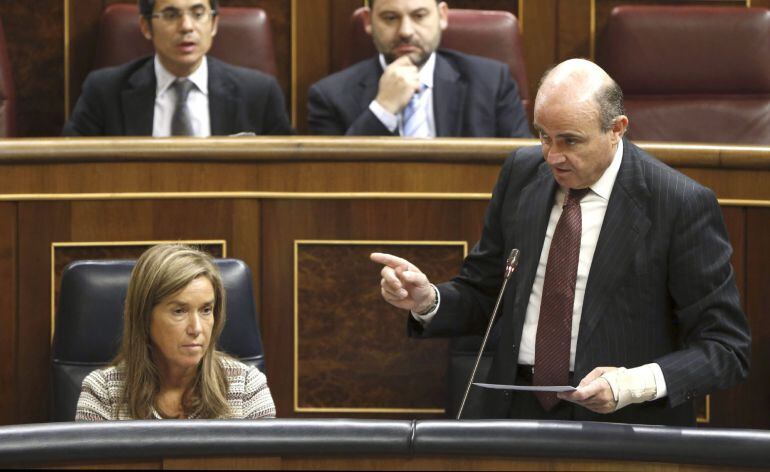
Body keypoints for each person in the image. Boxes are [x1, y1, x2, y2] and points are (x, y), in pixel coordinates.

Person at [371, 58, 751, 426]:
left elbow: (725, 347)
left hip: (622, 423)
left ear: (616, 129)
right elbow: (487, 291)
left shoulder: (678, 203)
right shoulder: (522, 174)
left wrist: (631, 385)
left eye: (570, 141)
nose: (552, 157)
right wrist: (429, 301)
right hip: (513, 407)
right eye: (543, 136)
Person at [75, 244, 275, 420]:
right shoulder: (102, 393)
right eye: (179, 311)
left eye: (206, 310)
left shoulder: (247, 387)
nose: (196, 328)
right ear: (144, 316)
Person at [63, 0, 292, 136]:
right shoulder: (103, 92)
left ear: (214, 24)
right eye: (171, 15)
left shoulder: (259, 94)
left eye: (198, 13)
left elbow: (286, 175)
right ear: (145, 26)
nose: (186, 27)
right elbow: (72, 171)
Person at [307, 0, 531, 138]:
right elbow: (332, 177)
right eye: (390, 18)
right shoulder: (328, 97)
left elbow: (526, 170)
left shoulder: (492, 82)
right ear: (368, 21)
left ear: (442, 16)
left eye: (419, 15)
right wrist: (383, 109)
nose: (405, 31)